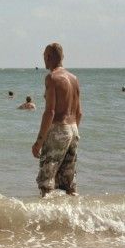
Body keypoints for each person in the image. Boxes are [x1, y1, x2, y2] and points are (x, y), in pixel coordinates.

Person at [32, 42, 82, 197]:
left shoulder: (52, 78)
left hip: (59, 129)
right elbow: (79, 113)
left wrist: (39, 142)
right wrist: (70, 134)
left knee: (46, 182)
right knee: (69, 182)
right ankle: (73, 217)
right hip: (74, 129)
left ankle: (47, 219)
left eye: (44, 56)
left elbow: (50, 112)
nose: (44, 59)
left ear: (49, 57)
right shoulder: (74, 79)